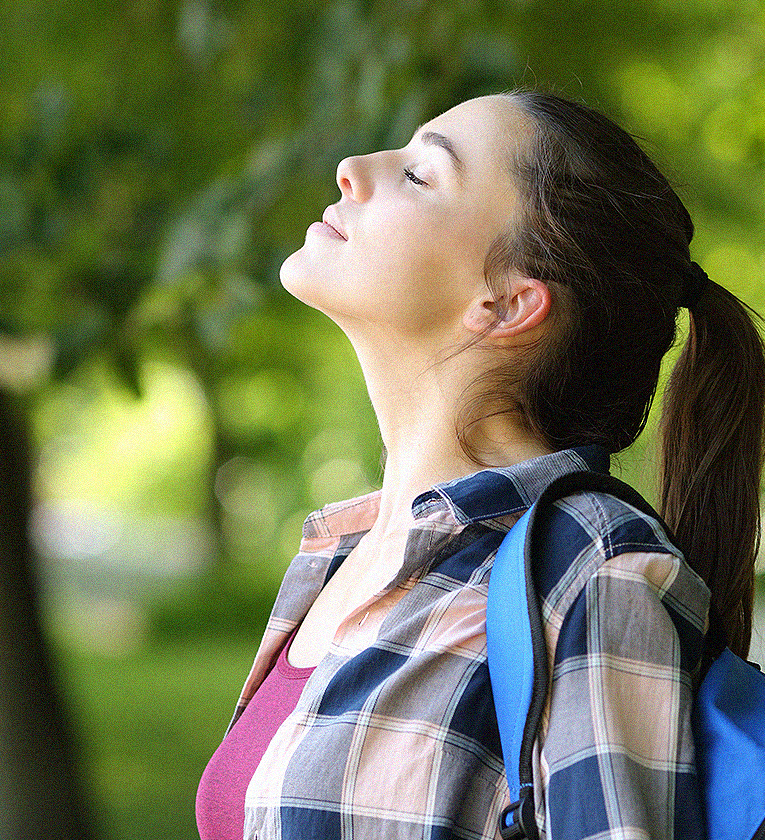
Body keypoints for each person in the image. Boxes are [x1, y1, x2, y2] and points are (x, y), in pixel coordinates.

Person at [195, 89, 765, 840]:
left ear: (507, 304)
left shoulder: (588, 569)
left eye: (420, 174)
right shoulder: (345, 553)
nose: (352, 169)